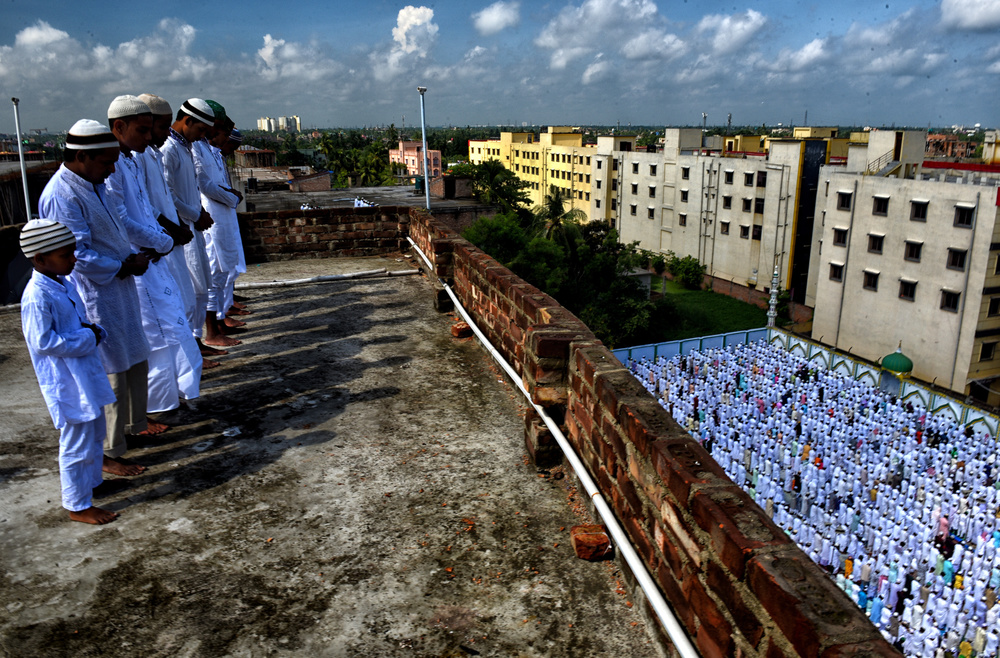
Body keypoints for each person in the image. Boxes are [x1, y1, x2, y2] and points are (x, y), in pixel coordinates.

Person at [39, 119, 148, 477]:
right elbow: (75, 254)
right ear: (82, 157)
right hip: (95, 293)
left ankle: (134, 428)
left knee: (133, 357)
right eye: (105, 161)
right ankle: (108, 450)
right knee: (110, 369)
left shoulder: (95, 183)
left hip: (121, 284)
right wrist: (121, 264)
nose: (112, 168)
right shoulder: (62, 195)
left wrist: (138, 253)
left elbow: (119, 223)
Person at [105, 94, 201, 418]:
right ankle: (157, 410)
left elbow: (146, 209)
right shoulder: (113, 164)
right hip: (140, 260)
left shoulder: (132, 158)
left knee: (173, 329)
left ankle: (172, 399)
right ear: (119, 127)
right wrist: (161, 240)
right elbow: (122, 219)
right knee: (158, 342)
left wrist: (162, 238)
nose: (149, 138)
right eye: (143, 131)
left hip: (155, 256)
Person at [19, 219, 119, 525]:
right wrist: (88, 337)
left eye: (72, 252)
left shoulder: (63, 282)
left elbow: (78, 321)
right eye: (66, 255)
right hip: (66, 381)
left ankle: (91, 485)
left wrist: (91, 330)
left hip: (83, 371)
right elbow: (43, 341)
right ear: (40, 259)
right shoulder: (37, 296)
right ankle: (77, 504)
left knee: (94, 432)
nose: (73, 259)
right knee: (76, 441)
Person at [160, 98, 222, 361]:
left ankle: (196, 342)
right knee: (191, 291)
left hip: (191, 226)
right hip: (180, 230)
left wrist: (198, 212)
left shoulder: (184, 147)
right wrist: (194, 214)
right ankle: (191, 347)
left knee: (200, 287)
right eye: (200, 131)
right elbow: (167, 195)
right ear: (188, 121)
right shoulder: (168, 149)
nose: (202, 137)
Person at [194, 101, 244, 346]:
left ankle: (221, 319)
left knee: (224, 270)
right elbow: (205, 185)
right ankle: (211, 331)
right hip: (211, 219)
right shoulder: (195, 149)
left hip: (222, 216)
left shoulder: (208, 149)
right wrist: (231, 197)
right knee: (212, 274)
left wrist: (230, 197)